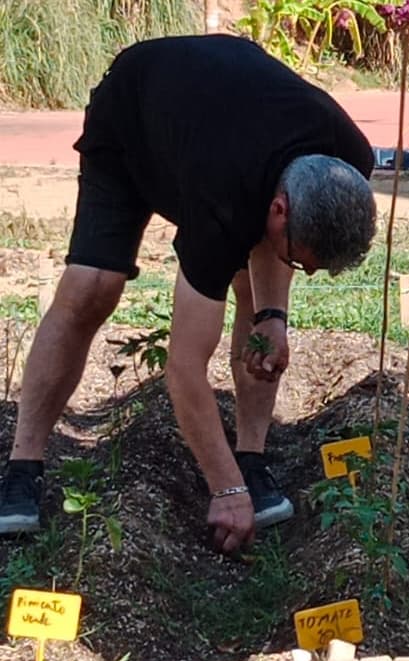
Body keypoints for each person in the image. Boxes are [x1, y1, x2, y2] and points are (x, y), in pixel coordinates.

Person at [0, 35, 377, 553]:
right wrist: (225, 493)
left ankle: (250, 458)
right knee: (92, 288)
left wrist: (273, 316)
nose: (302, 273)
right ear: (279, 210)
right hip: (132, 119)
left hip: (220, 126)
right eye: (299, 263)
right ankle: (22, 466)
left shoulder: (347, 160)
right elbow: (183, 367)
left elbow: (280, 236)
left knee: (257, 295)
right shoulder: (223, 201)